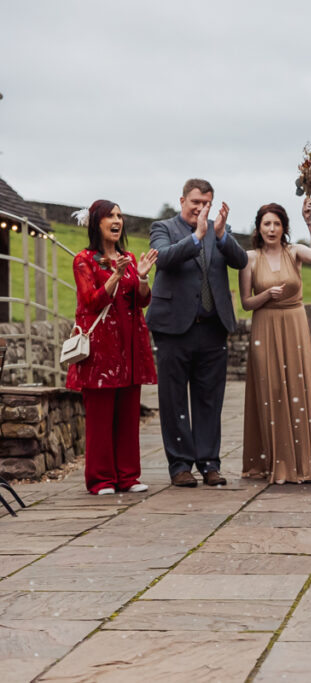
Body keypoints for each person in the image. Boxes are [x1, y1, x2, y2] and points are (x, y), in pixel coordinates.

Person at [148, 179, 248, 487]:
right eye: (195, 202)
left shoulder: (219, 231)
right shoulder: (162, 228)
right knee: (173, 399)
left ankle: (209, 463)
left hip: (213, 327)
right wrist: (196, 237)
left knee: (209, 399)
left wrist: (219, 236)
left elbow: (241, 260)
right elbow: (162, 258)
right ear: (182, 200)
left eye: (206, 203)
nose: (201, 208)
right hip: (173, 328)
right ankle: (180, 465)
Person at [67, 200, 158, 495]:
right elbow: (91, 301)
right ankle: (101, 479)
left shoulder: (129, 257)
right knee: (100, 417)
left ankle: (128, 477)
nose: (117, 220)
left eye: (119, 216)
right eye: (110, 216)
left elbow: (142, 301)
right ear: (96, 223)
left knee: (129, 414)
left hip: (130, 345)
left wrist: (142, 276)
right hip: (100, 349)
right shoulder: (83, 260)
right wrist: (117, 275)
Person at [239, 198, 311, 484]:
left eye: (277, 223)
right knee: (271, 388)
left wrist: (310, 221)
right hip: (265, 324)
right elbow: (246, 302)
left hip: (294, 322)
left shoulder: (294, 252)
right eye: (267, 223)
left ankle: (303, 463)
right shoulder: (250, 258)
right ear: (259, 227)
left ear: (284, 227)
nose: (272, 228)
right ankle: (273, 462)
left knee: (297, 388)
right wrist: (266, 296)